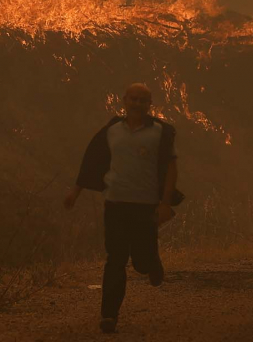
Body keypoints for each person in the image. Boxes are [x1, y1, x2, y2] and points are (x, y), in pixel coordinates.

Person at [64, 83, 182, 334]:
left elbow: (171, 168)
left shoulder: (160, 133)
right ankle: (109, 315)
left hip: (145, 206)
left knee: (140, 261)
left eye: (142, 100)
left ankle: (151, 263)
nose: (137, 104)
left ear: (150, 104)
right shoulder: (112, 131)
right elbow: (92, 160)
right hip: (116, 204)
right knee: (115, 259)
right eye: (133, 99)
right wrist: (75, 192)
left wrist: (164, 203)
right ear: (124, 101)